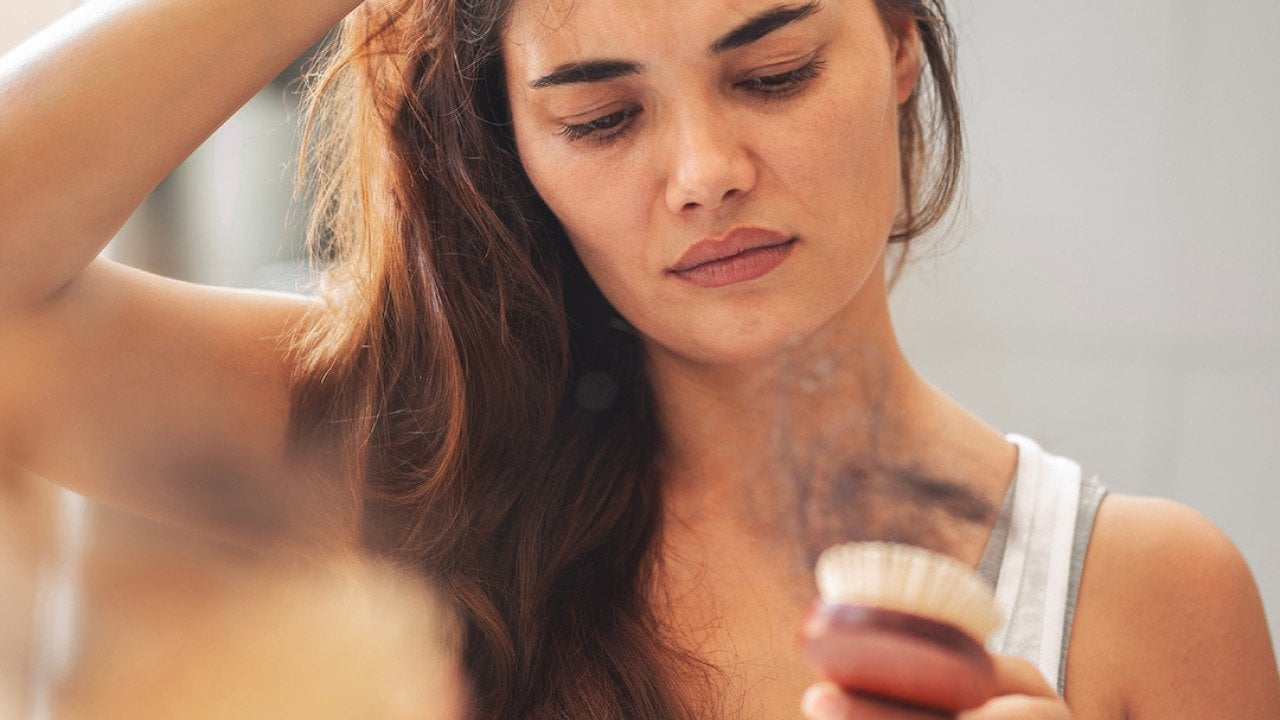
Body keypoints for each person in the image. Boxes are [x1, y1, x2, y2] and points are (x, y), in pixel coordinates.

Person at [0, 0, 1277, 718]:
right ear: (512, 138)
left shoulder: (1144, 599)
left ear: (896, 42)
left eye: (771, 74)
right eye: (601, 117)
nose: (704, 174)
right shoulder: (395, 449)